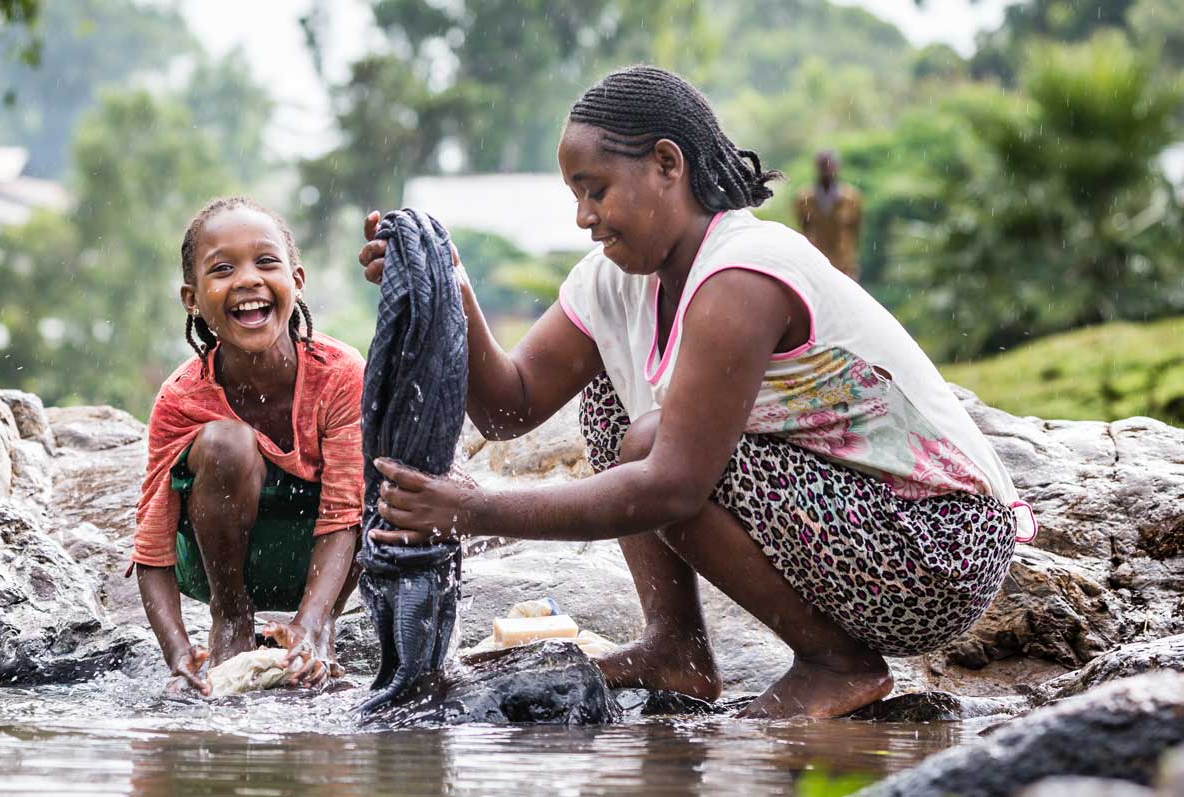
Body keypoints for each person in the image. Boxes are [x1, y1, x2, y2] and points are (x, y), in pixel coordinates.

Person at [357, 66, 1031, 719]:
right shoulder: (616, 279)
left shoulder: (742, 272)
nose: (583, 217)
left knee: (654, 445)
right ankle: (675, 647)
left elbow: (672, 487)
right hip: (860, 530)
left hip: (937, 550)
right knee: (615, 402)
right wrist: (449, 288)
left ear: (666, 165)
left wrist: (478, 510)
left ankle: (834, 661)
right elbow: (510, 405)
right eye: (575, 196)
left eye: (595, 190)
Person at [131, 196, 365, 695]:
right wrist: (177, 653)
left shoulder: (341, 375)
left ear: (296, 280)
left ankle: (321, 630)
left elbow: (347, 511)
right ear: (192, 298)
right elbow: (151, 545)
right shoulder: (181, 398)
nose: (247, 280)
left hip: (323, 560)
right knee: (226, 443)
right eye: (222, 269)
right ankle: (233, 620)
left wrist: (311, 622)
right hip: (221, 563)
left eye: (266, 262)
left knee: (391, 474)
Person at [795, 150, 863, 280]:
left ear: (837, 167)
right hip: (815, 264)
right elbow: (803, 229)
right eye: (822, 166)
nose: (826, 170)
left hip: (844, 265)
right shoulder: (804, 198)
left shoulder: (851, 198)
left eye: (829, 165)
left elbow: (856, 231)